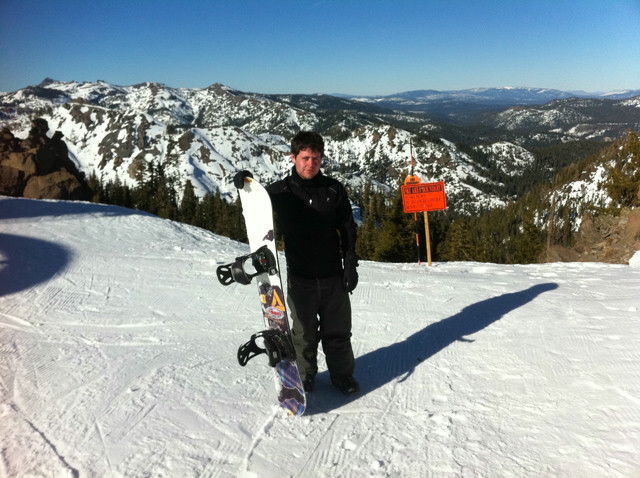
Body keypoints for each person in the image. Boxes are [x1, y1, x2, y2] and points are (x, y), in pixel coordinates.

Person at [233, 131, 360, 395]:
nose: (310, 163)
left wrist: (349, 265)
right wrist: (245, 185)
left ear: (321, 158)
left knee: (338, 332)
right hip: (300, 278)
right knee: (304, 335)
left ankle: (342, 376)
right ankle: (305, 376)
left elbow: (348, 229)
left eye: (315, 158)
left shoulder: (333, 189)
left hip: (332, 276)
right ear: (293, 158)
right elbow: (256, 209)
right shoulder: (282, 192)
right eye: (304, 158)